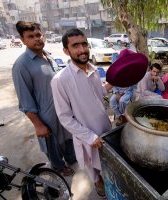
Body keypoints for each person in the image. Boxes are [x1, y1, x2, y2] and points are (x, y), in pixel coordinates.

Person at [50, 28, 112, 197]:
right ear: (66, 50)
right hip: (87, 135)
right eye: (75, 45)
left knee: (108, 161)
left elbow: (99, 94)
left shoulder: (92, 70)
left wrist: (113, 83)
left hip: (105, 127)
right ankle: (98, 181)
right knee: (93, 165)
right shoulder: (60, 80)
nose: (82, 49)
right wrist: (89, 136)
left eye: (84, 44)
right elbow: (65, 118)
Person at [12, 21, 76, 176]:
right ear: (23, 40)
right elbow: (25, 101)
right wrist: (38, 125)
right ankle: (58, 167)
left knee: (68, 139)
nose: (37, 39)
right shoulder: (21, 65)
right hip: (46, 116)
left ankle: (71, 158)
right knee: (52, 145)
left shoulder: (48, 56)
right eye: (31, 36)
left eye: (39, 35)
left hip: (63, 111)